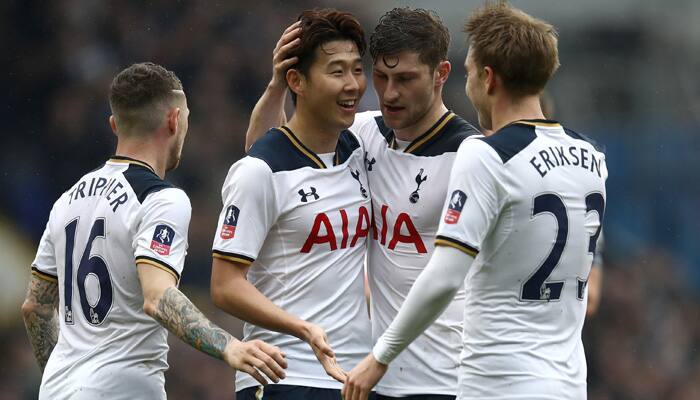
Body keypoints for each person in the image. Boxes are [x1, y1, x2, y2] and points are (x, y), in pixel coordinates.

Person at [343, 3, 607, 400]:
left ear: (488, 78)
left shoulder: (486, 155)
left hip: (499, 382)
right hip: (568, 385)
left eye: (467, 73)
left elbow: (446, 274)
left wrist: (379, 357)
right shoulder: (592, 158)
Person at [245, 8, 480, 399]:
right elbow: (264, 155)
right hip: (374, 378)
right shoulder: (366, 133)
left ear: (441, 74)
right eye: (382, 77)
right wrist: (277, 88)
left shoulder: (471, 156)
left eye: (405, 79)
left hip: (448, 377)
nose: (389, 93)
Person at [20, 62, 287, 400]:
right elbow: (158, 296)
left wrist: (69, 381)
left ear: (115, 125)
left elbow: (36, 307)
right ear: (175, 120)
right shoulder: (162, 199)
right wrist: (230, 347)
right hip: (122, 389)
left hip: (58, 390)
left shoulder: (66, 201)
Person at [210, 9, 372, 400]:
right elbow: (224, 286)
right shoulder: (260, 171)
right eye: (336, 72)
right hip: (285, 376)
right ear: (297, 80)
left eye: (356, 70)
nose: (352, 85)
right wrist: (302, 328)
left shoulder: (361, 145)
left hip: (353, 377)